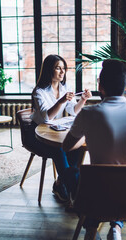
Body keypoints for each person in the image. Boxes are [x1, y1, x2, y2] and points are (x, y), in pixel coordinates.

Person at [62, 59, 126, 240]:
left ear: (100, 86)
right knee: (120, 184)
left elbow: (66, 146)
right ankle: (116, 226)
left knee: (70, 172)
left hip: (97, 197)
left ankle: (91, 227)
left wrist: (87, 132)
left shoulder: (88, 114)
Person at [30, 54, 92, 202]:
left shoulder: (65, 87)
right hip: (39, 134)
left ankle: (62, 183)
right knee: (59, 149)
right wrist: (61, 100)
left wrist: (83, 99)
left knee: (75, 145)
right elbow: (46, 117)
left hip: (56, 130)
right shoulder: (39, 91)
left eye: (63, 68)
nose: (62, 72)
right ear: (48, 70)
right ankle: (74, 189)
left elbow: (73, 110)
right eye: (58, 68)